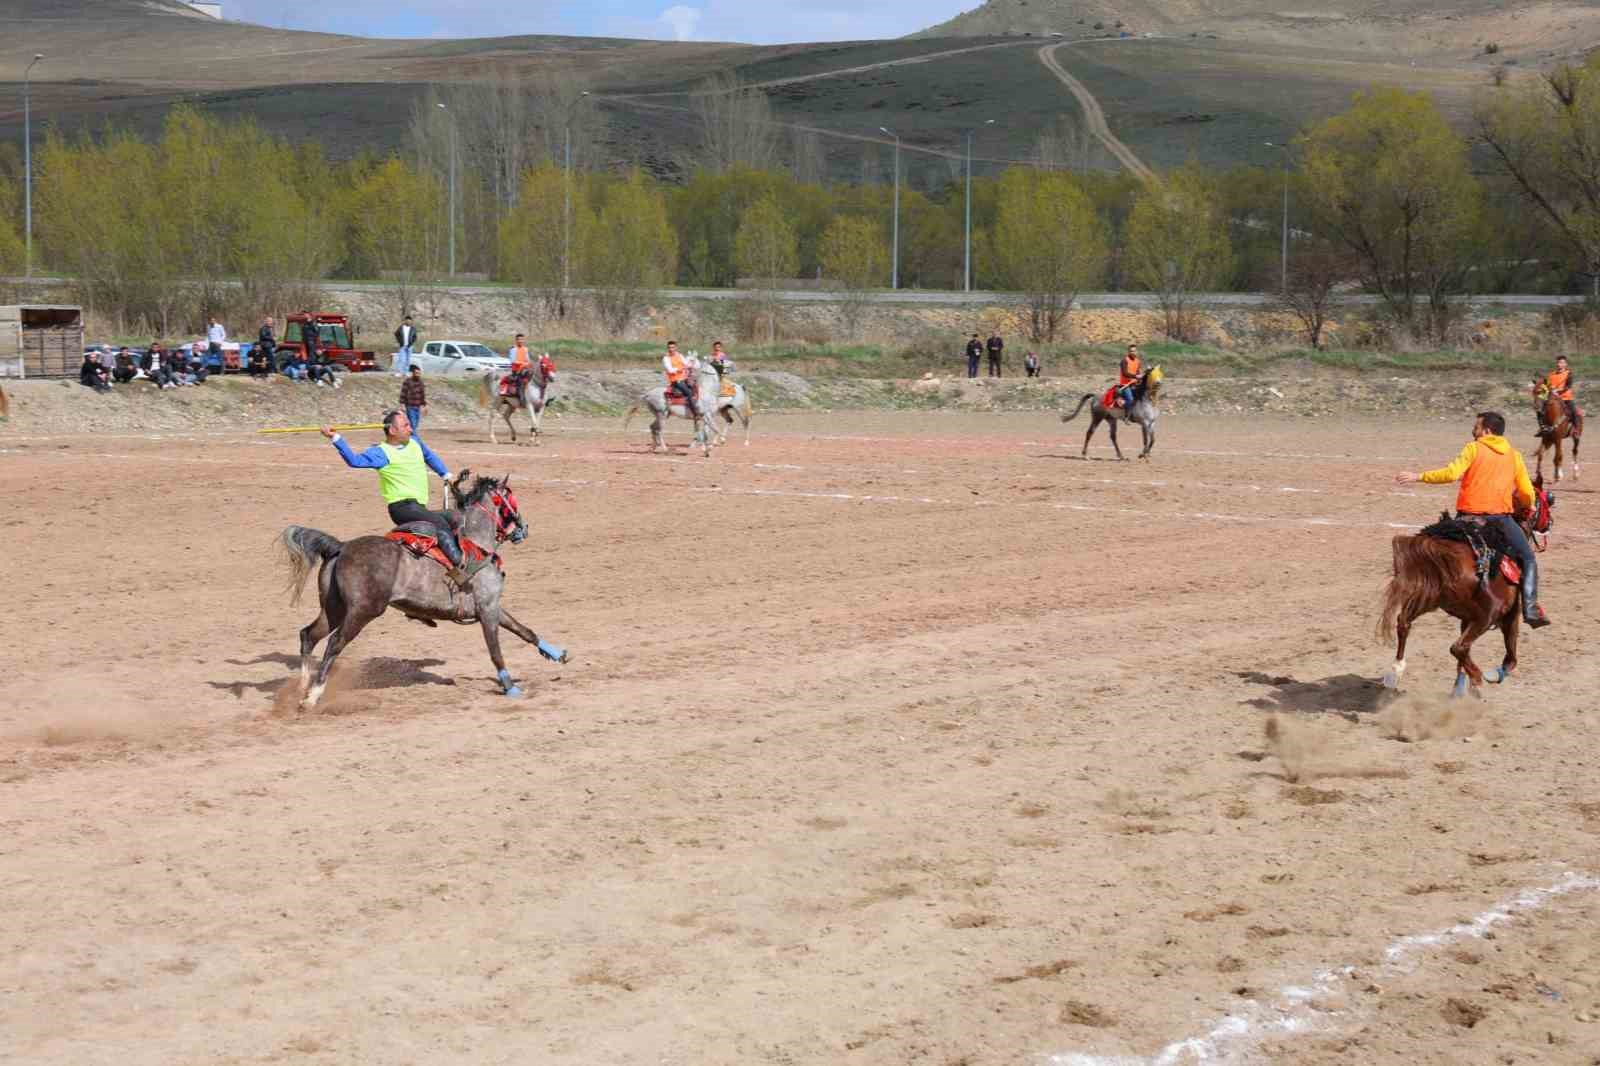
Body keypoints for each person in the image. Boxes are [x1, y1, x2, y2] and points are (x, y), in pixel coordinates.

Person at [1395, 411, 1549, 628]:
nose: (1473, 431)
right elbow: (1525, 491)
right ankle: (1531, 607)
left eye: (1476, 427)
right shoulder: (1514, 456)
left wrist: (1419, 476)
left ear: (1487, 430)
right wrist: (1530, 503)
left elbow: (1451, 473)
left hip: (1466, 519)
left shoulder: (1473, 448)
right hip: (1499, 520)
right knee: (1528, 557)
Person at [321, 411, 485, 589]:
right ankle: (460, 568)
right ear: (392, 430)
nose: (411, 428)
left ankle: (458, 556)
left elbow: (429, 456)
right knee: (439, 524)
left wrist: (445, 474)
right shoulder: (381, 453)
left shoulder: (414, 442)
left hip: (419, 507)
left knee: (456, 517)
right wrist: (335, 437)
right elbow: (354, 460)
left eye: (409, 424)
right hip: (402, 508)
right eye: (405, 425)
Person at [1542, 354, 1578, 427]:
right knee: (1539, 409)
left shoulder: (1569, 374)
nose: (1559, 364)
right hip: (1552, 397)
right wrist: (1541, 392)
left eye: (1561, 363)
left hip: (1565, 397)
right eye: (1558, 362)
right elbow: (1546, 385)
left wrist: (1557, 391)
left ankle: (1576, 430)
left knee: (1574, 412)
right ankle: (1542, 426)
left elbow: (1568, 386)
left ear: (1565, 364)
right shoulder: (1551, 374)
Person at [663, 339, 697, 408]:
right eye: (669, 347)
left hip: (684, 378)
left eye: (672, 347)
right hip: (676, 380)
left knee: (696, 388)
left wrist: (692, 363)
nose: (671, 349)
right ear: (667, 348)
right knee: (689, 393)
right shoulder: (666, 358)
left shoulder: (679, 355)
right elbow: (670, 370)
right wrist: (680, 369)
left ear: (675, 348)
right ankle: (695, 413)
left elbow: (686, 364)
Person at [1117, 343, 1143, 418]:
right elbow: (1125, 373)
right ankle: (1125, 415)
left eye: (1134, 351)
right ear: (1128, 352)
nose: (1133, 352)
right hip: (1125, 384)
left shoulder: (1138, 361)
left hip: (1134, 384)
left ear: (1137, 351)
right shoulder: (1124, 360)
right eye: (1131, 351)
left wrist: (1140, 377)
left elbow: (1138, 372)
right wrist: (1135, 376)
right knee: (1131, 400)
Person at [399, 365, 428, 433]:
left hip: (417, 407)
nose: (418, 375)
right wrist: (402, 405)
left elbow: (422, 394)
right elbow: (403, 393)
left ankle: (411, 436)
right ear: (413, 373)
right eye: (416, 373)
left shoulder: (420, 382)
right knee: (413, 424)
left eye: (419, 373)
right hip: (410, 406)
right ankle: (414, 438)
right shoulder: (407, 381)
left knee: (416, 424)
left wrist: (425, 405)